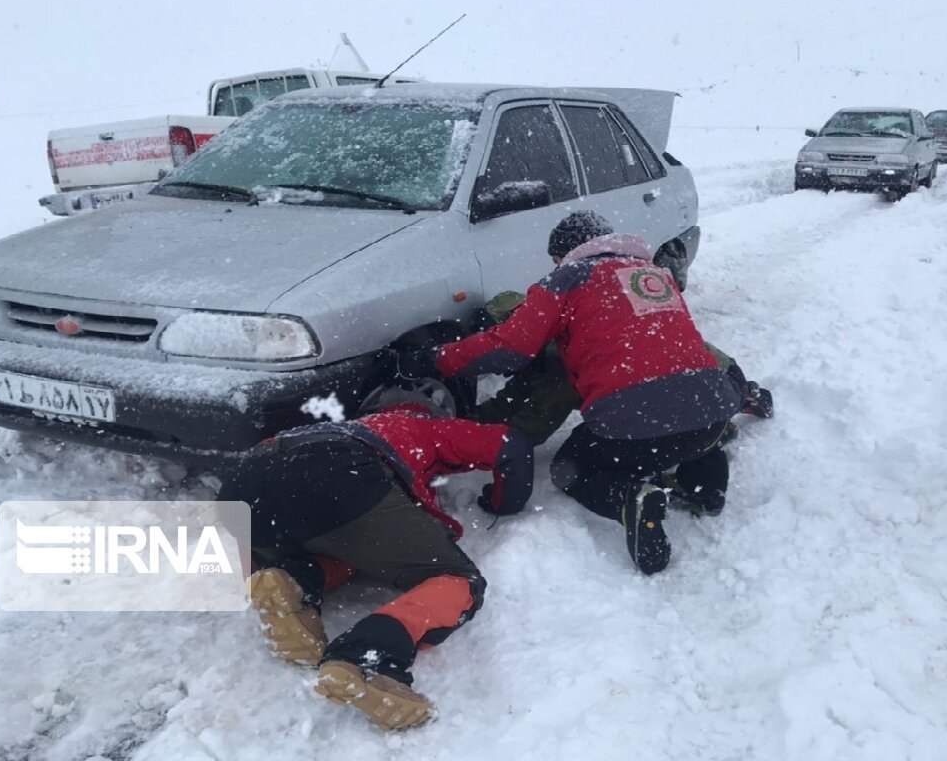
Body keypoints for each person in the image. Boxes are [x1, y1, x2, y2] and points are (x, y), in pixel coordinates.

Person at [399, 211, 743, 574]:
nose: (555, 264)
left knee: (570, 468)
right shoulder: (653, 274)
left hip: (635, 423)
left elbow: (509, 348)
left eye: (555, 258)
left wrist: (436, 361)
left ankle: (628, 499)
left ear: (567, 252)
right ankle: (707, 489)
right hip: (712, 414)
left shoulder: (567, 279)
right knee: (686, 419)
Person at [220, 388, 533, 730]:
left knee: (352, 546)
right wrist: (504, 504)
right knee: (458, 581)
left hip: (242, 489)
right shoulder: (416, 426)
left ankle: (292, 580)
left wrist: (254, 570)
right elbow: (510, 445)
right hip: (337, 474)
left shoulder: (337, 428)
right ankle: (366, 657)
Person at [470, 289, 774, 516]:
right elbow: (513, 397)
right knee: (694, 410)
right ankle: (732, 423)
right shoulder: (574, 321)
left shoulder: (558, 359)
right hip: (717, 382)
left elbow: (530, 428)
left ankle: (631, 498)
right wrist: (470, 420)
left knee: (570, 467)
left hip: (691, 400)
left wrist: (463, 440)